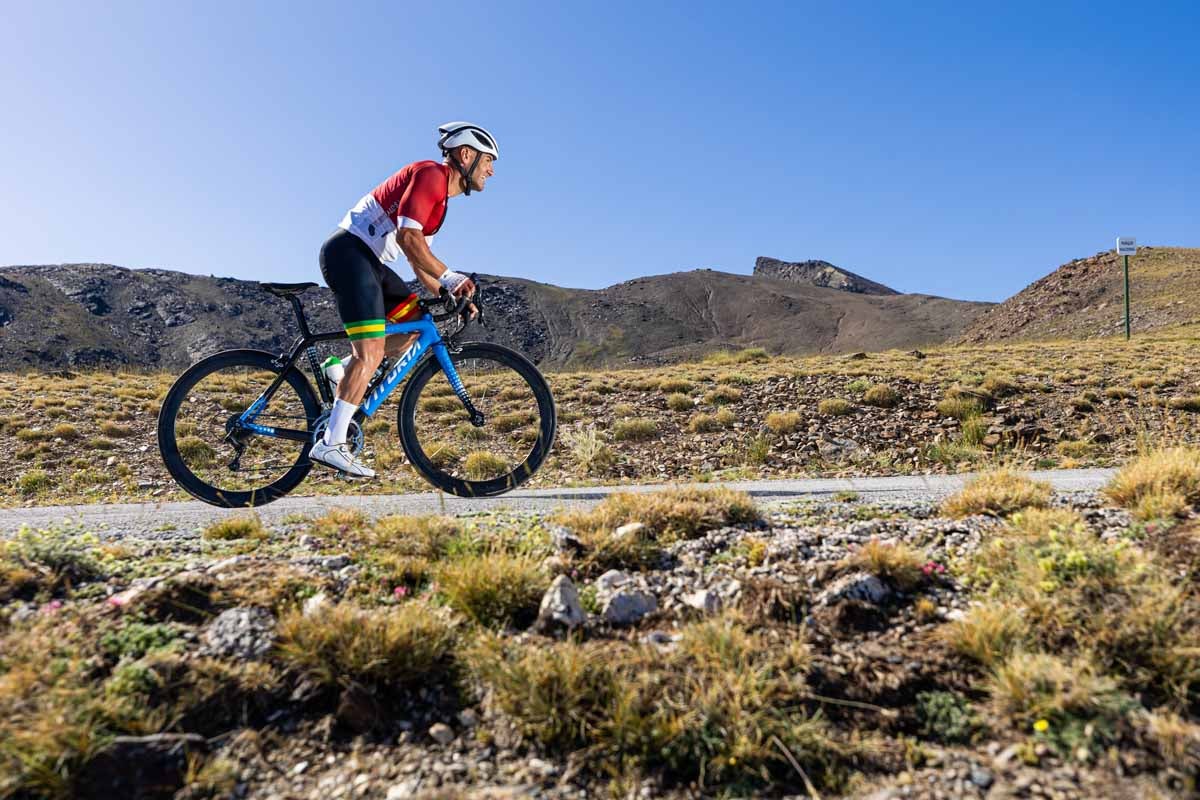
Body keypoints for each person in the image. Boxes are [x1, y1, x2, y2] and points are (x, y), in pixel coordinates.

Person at [309, 122, 497, 477]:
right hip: (350, 253)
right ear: (466, 155)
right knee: (371, 351)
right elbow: (409, 240)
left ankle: (342, 374)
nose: (491, 169)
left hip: (370, 262)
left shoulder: (439, 203)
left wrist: (448, 291)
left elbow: (417, 257)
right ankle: (332, 443)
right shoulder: (430, 175)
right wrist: (451, 276)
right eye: (488, 159)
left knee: (411, 331)